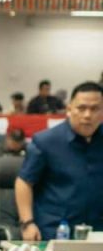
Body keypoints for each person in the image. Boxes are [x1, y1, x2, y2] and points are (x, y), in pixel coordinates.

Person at [16, 81, 103, 241]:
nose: (87, 115)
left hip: (98, 233)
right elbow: (24, 182)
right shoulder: (46, 141)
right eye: (81, 108)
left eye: (95, 109)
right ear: (69, 109)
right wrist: (27, 223)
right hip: (56, 232)